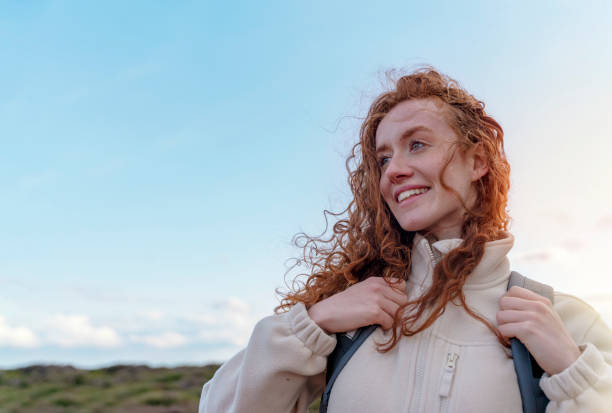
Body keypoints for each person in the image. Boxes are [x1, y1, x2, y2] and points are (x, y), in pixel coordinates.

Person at [199, 68, 612, 412]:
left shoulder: (564, 320)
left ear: (478, 162)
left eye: (416, 145)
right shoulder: (352, 313)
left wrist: (573, 373)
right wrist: (313, 323)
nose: (394, 170)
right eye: (383, 158)